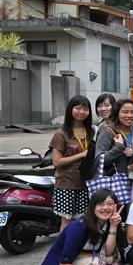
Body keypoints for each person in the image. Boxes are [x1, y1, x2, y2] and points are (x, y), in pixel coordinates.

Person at [35, 189, 121, 265]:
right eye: (100, 204)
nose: (105, 208)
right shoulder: (78, 226)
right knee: (97, 263)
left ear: (116, 206)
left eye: (110, 204)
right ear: (92, 207)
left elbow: (108, 252)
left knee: (110, 259)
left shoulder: (107, 224)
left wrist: (113, 226)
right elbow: (65, 262)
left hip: (79, 261)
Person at [50, 95, 94, 231]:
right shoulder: (61, 133)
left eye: (85, 108)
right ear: (70, 110)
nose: (81, 112)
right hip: (67, 183)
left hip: (87, 182)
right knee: (66, 220)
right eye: (77, 108)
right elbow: (57, 162)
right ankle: (63, 250)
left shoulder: (92, 131)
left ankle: (77, 247)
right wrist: (82, 154)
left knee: (83, 219)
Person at [95, 99, 133, 203]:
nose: (129, 115)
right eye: (125, 112)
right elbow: (99, 160)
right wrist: (119, 148)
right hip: (116, 184)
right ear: (117, 113)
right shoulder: (108, 131)